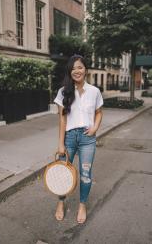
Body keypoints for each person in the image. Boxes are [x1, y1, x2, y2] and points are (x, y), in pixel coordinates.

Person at [54, 55, 103, 224]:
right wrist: (61, 144)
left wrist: (95, 128)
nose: (77, 71)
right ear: (70, 71)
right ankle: (61, 202)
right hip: (69, 138)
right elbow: (62, 119)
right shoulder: (63, 92)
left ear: (86, 70)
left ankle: (82, 204)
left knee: (85, 175)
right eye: (73, 68)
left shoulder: (94, 91)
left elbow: (98, 113)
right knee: (62, 173)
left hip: (87, 139)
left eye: (80, 67)